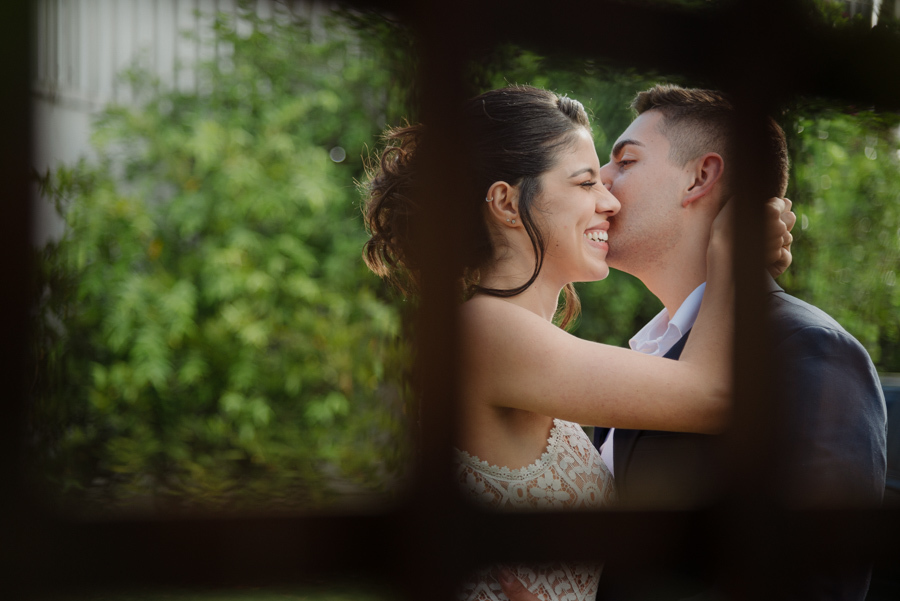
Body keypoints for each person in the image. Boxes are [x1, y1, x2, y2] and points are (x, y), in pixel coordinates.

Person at [363, 85, 792, 601]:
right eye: (586, 182)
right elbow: (713, 394)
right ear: (506, 202)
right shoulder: (483, 331)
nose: (610, 201)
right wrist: (732, 252)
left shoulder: (530, 340)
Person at [498, 85, 888, 601]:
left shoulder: (805, 351)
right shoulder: (647, 358)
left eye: (623, 162)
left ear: (700, 177)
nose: (603, 191)